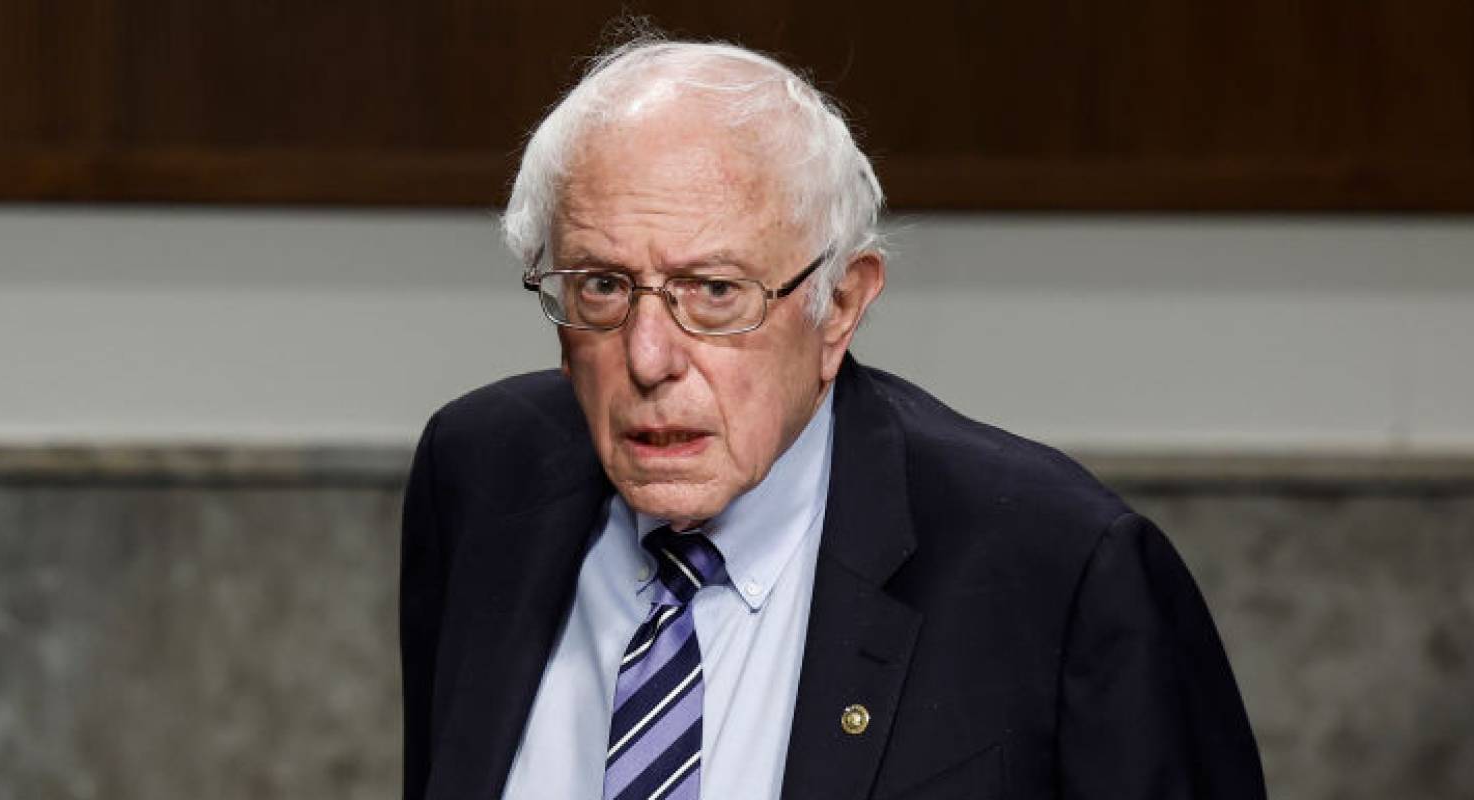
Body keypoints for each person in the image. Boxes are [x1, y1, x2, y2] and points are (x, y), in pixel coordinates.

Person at [401, 37, 1264, 800]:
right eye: (601, 285)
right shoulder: (480, 475)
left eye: (716, 291)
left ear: (840, 305)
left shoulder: (1061, 569)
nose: (649, 357)